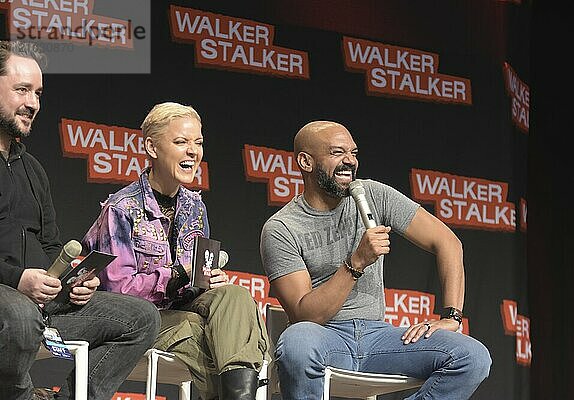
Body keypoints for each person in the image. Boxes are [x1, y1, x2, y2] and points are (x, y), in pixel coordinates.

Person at [259, 120, 492, 399]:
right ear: (306, 162)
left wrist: (452, 316)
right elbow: (304, 315)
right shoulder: (282, 228)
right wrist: (356, 262)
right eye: (337, 153)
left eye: (353, 153)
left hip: (380, 338)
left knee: (472, 356)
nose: (349, 162)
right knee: (296, 344)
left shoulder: (372, 195)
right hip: (326, 338)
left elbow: (448, 242)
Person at [0, 41, 161, 400]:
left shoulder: (33, 170)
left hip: (38, 301)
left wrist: (73, 282)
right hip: (9, 300)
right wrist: (17, 279)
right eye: (22, 90)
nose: (33, 103)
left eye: (38, 93)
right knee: (20, 318)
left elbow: (51, 245)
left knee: (141, 319)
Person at [81, 102, 270, 400]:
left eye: (198, 142)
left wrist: (206, 280)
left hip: (181, 309)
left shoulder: (195, 206)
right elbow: (116, 294)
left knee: (236, 297)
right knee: (204, 332)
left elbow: (194, 284)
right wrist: (176, 276)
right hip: (140, 322)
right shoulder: (121, 209)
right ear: (152, 148)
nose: (193, 151)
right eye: (181, 142)